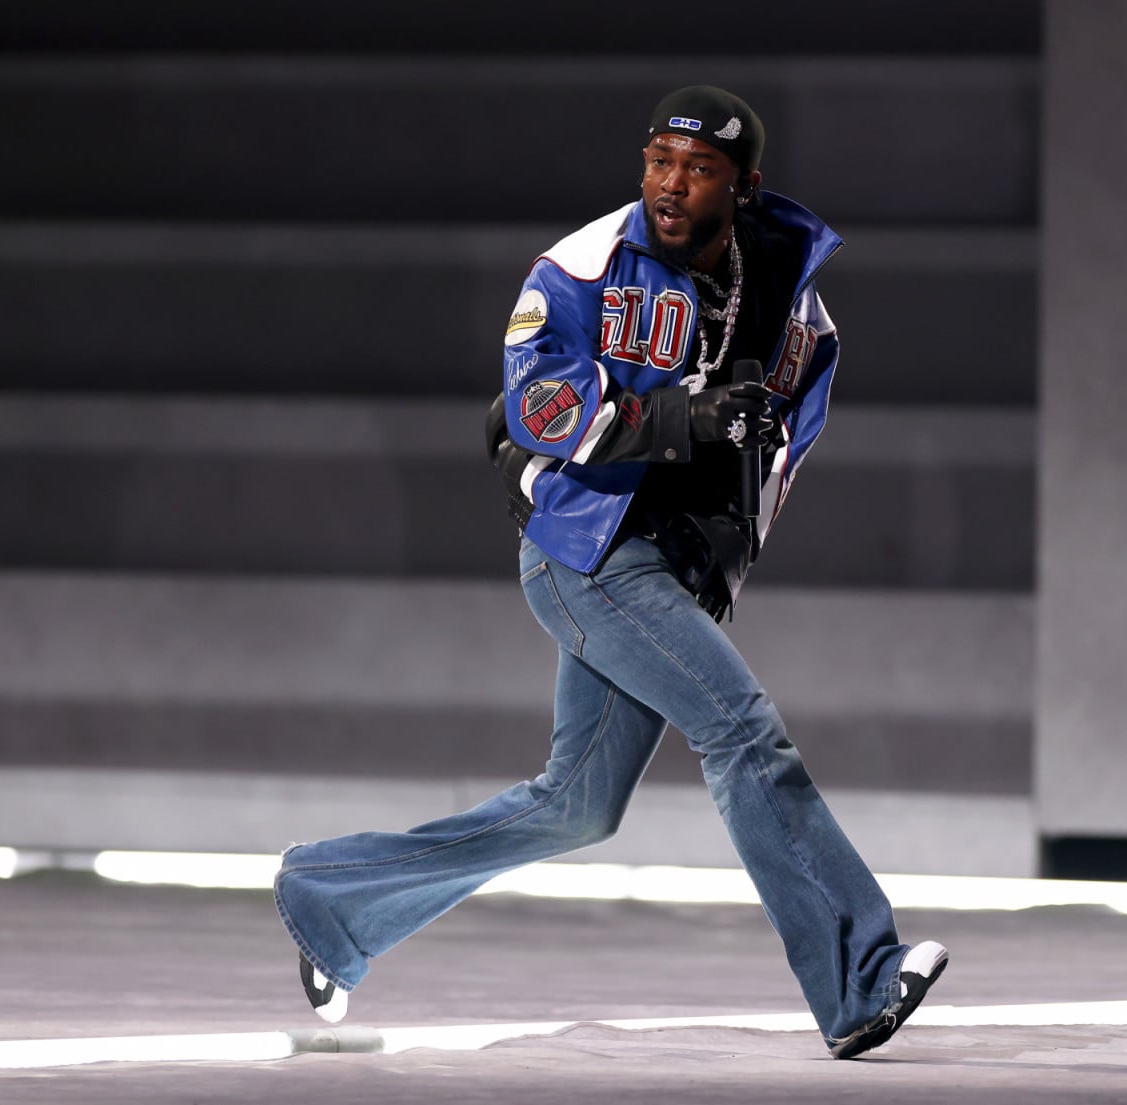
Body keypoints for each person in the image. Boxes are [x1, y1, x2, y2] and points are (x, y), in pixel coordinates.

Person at [274, 84, 947, 1059]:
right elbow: (540, 410)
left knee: (576, 805)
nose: (671, 185)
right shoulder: (580, 268)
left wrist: (723, 569)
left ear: (744, 187)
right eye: (658, 163)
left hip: (670, 571)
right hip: (587, 551)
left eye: (699, 170)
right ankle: (859, 980)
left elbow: (782, 460)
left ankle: (329, 898)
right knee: (743, 734)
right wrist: (693, 421)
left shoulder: (796, 310)